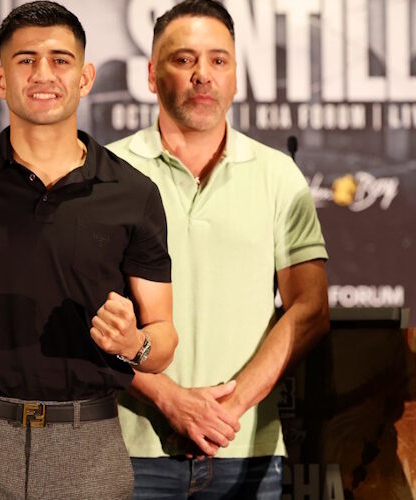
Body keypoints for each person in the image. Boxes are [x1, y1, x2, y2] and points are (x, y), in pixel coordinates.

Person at [0, 2, 178, 498]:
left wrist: (133, 344)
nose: (43, 74)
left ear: (85, 78)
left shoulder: (133, 193)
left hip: (88, 447)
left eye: (60, 60)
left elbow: (162, 338)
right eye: (25, 59)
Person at [107, 0, 329, 497]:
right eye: (184, 59)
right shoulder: (105, 172)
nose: (202, 74)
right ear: (151, 75)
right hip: (128, 450)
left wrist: (226, 410)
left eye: (218, 60)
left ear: (236, 77)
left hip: (246, 448)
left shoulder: (278, 175)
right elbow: (85, 316)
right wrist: (169, 399)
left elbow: (310, 308)